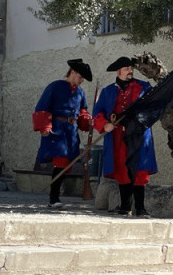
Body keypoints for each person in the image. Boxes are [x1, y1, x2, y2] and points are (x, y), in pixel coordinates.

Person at [92, 56, 158, 217]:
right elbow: (97, 113)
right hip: (117, 136)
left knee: (139, 170)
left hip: (138, 134)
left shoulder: (144, 87)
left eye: (131, 68)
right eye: (127, 69)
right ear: (118, 71)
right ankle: (125, 206)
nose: (130, 71)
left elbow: (152, 108)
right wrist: (104, 124)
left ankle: (141, 208)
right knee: (122, 168)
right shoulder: (108, 91)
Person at [32, 58, 92, 208]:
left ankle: (55, 196)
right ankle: (54, 198)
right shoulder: (54, 86)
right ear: (72, 72)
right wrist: (45, 127)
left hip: (71, 132)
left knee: (66, 164)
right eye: (80, 76)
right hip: (56, 129)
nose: (81, 80)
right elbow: (42, 107)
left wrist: (87, 121)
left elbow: (83, 111)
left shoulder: (80, 92)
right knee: (60, 162)